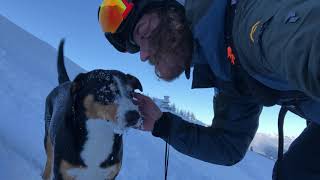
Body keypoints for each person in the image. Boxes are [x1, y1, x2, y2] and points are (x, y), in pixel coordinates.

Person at [98, 0, 320, 179]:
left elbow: (304, 40)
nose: (144, 55)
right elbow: (228, 145)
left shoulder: (250, 22)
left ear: (165, 7)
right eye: (137, 46)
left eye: (142, 30)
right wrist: (162, 124)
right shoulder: (227, 65)